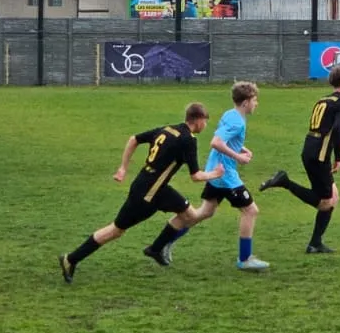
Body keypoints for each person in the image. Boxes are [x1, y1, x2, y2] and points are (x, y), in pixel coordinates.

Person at [60, 102, 224, 282]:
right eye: (205, 121)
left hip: (154, 186)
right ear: (198, 120)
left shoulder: (167, 129)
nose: (205, 125)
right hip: (148, 193)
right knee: (116, 230)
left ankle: (155, 249)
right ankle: (70, 259)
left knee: (190, 216)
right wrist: (215, 174)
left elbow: (134, 139)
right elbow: (196, 176)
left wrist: (123, 168)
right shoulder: (188, 140)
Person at [260, 62, 340, 253]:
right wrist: (339, 157)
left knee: (333, 196)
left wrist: (338, 142)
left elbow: (324, 127)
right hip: (320, 155)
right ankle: (285, 182)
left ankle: (315, 243)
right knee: (325, 202)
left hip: (309, 148)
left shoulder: (323, 100)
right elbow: (337, 127)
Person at [191, 82, 270, 271]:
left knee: (204, 212)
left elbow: (224, 138)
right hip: (225, 174)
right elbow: (216, 142)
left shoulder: (231, 114)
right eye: (254, 100)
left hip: (215, 170)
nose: (256, 103)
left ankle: (163, 242)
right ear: (245, 102)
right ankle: (245, 259)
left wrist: (241, 148)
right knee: (250, 211)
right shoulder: (237, 121)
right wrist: (238, 157)